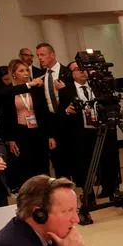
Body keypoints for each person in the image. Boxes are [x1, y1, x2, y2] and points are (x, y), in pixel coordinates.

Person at [61, 60, 120, 197]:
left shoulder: (97, 86)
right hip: (81, 133)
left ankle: (111, 189)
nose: (82, 71)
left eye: (84, 69)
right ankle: (88, 193)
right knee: (84, 164)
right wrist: (66, 111)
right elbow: (60, 113)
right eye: (77, 69)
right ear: (72, 73)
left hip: (101, 129)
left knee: (107, 159)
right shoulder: (66, 90)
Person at [0, 59, 52, 189]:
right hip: (20, 132)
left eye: (27, 70)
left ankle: (45, 192)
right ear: (14, 74)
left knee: (42, 164)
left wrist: (50, 135)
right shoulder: (9, 92)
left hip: (38, 131)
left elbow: (45, 113)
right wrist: (10, 139)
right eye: (21, 71)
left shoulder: (36, 90)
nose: (26, 73)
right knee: (25, 165)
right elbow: (5, 117)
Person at [35, 43, 72, 179]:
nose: (40, 58)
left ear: (52, 54)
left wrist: (64, 89)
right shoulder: (41, 76)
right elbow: (43, 107)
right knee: (58, 161)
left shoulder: (67, 73)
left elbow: (75, 96)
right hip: (53, 124)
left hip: (70, 122)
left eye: (43, 55)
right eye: (38, 55)